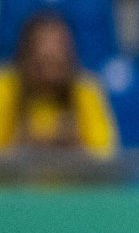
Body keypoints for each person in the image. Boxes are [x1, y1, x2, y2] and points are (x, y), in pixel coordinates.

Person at [0, 12, 118, 159]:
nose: (51, 54)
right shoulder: (5, 87)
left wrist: (73, 148)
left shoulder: (85, 89)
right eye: (43, 63)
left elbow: (105, 157)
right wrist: (27, 147)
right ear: (25, 55)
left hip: (74, 181)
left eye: (58, 63)